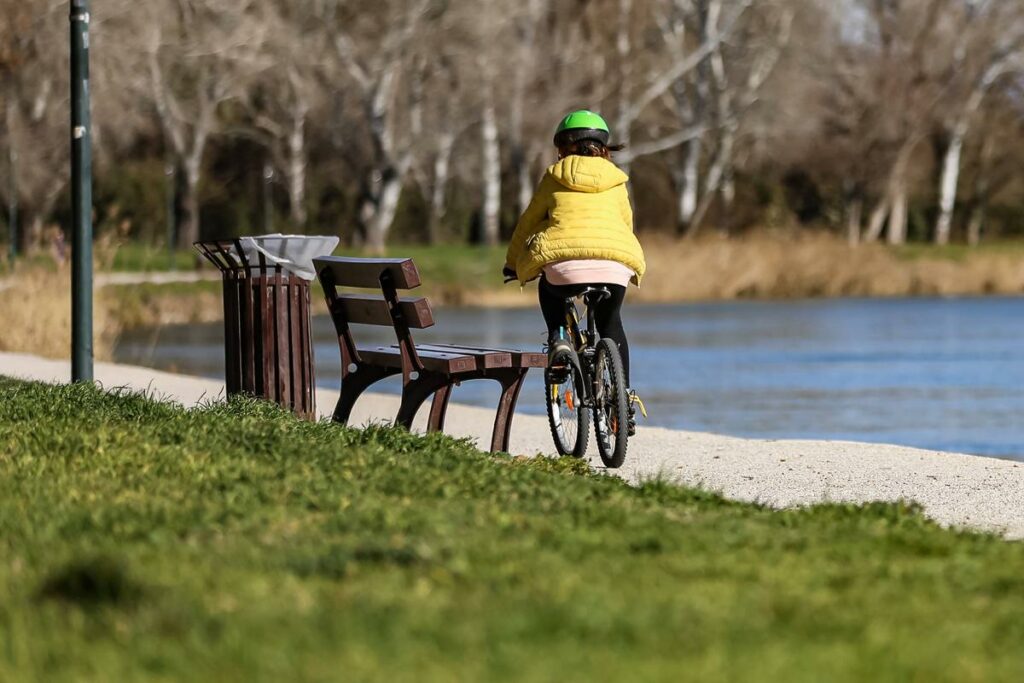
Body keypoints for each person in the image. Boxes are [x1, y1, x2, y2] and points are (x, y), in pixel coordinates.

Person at [503, 110, 646, 433]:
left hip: (564, 266)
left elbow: (527, 223)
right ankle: (619, 401)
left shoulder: (554, 176)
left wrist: (513, 264)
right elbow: (626, 225)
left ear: (562, 148)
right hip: (615, 263)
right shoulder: (617, 181)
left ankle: (558, 341)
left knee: (548, 288)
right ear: (604, 148)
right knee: (611, 323)